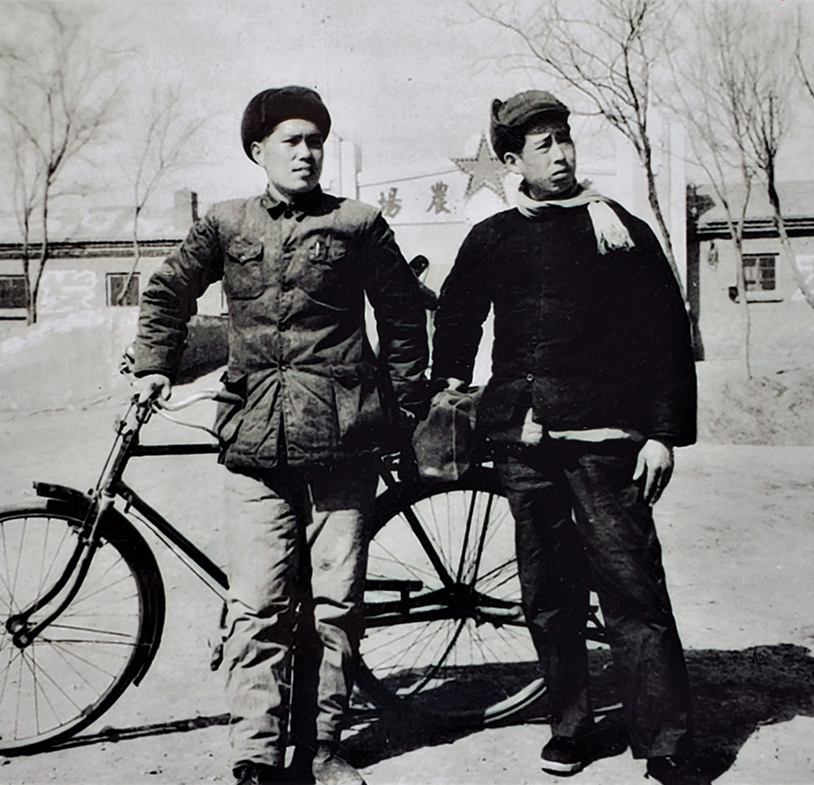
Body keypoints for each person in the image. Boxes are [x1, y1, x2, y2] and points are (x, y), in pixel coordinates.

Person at [131, 85, 429, 785]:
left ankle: (324, 746)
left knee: (335, 603)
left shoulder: (359, 224)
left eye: (314, 140)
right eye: (290, 140)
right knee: (258, 603)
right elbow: (169, 290)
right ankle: (257, 755)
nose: (305, 151)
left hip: (343, 441)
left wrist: (402, 406)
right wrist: (153, 364)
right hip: (254, 443)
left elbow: (403, 317)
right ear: (258, 151)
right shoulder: (227, 224)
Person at [430, 90, 708, 785]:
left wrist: (663, 434)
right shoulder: (494, 235)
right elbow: (458, 315)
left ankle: (665, 740)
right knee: (549, 592)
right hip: (524, 441)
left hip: (609, 441)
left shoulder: (618, 228)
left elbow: (667, 333)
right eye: (543, 144)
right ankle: (570, 725)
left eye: (565, 139)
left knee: (632, 586)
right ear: (512, 159)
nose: (560, 154)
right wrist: (448, 384)